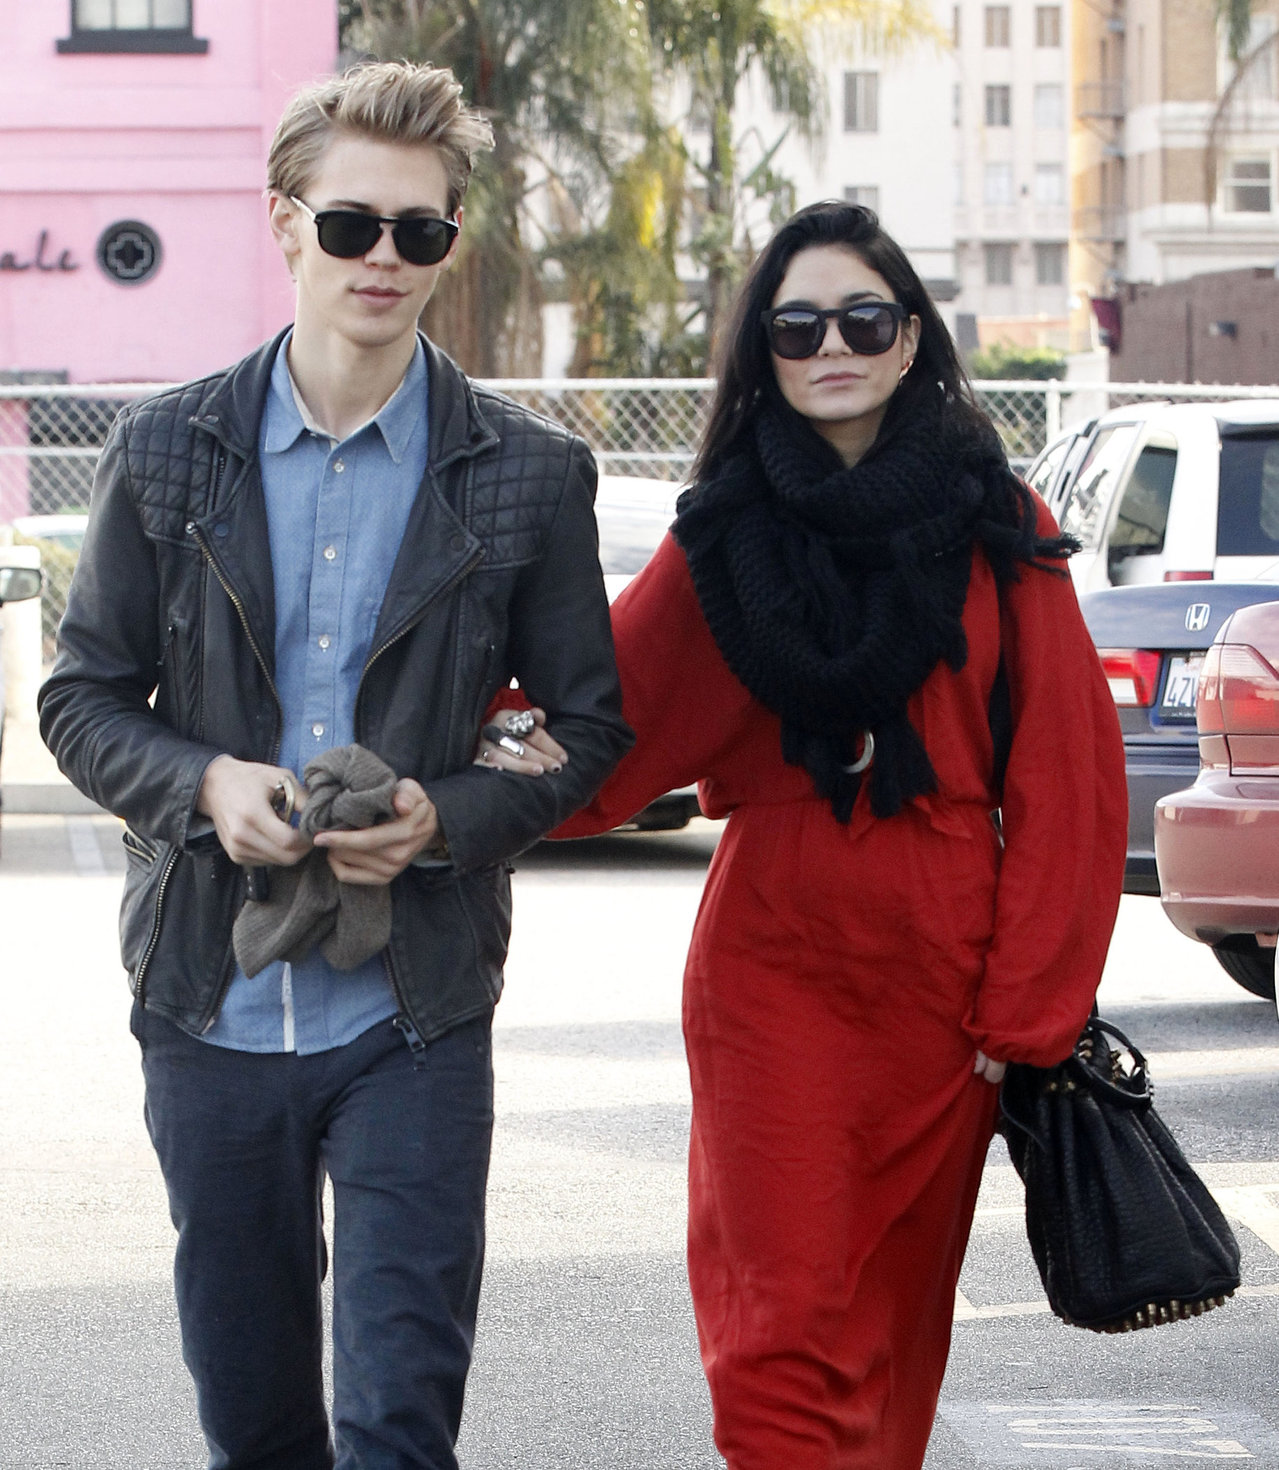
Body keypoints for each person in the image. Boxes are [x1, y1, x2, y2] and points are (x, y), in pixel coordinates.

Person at [39, 60, 631, 1470]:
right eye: (353, 224)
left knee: (394, 1424)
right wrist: (203, 784)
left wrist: (444, 815)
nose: (384, 258)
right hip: (207, 994)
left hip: (413, 1013)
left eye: (418, 233)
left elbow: (588, 725)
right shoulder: (167, 449)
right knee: (254, 1429)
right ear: (284, 223)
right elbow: (80, 697)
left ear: (448, 242)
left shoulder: (525, 475)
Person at [480, 200, 1127, 1470]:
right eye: (795, 325)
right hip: (773, 964)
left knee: (888, 1333)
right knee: (774, 1332)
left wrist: (1026, 1021)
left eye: (861, 317)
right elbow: (608, 720)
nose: (829, 343)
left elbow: (1068, 780)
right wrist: (456, 746)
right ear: (761, 354)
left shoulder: (1001, 522)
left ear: (907, 341)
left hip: (946, 982)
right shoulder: (725, 534)